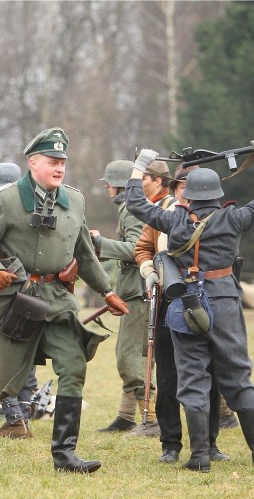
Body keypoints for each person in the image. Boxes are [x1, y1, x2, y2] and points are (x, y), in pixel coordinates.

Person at [0, 127, 129, 473]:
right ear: (33, 163)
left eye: (63, 162)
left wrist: (107, 290)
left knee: (73, 365)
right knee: (1, 385)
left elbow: (84, 251)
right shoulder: (5, 201)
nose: (60, 168)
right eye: (52, 161)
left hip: (57, 301)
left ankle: (65, 455)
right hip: (16, 301)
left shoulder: (74, 200)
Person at [126, 141, 254, 472]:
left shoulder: (176, 221)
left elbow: (136, 203)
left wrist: (139, 166)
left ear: (189, 196)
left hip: (185, 302)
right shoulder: (233, 218)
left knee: (192, 376)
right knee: (237, 373)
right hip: (224, 299)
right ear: (216, 193)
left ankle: (199, 456)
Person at [134, 164, 231, 463]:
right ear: (176, 188)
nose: (188, 193)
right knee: (168, 375)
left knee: (210, 375)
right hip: (168, 300)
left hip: (206, 302)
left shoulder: (216, 217)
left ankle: (210, 444)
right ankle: (171, 445)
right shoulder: (160, 215)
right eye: (183, 187)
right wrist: (148, 269)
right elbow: (142, 249)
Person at [91, 159, 161, 436]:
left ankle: (151, 418)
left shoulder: (132, 210)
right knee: (132, 354)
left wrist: (99, 243)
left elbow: (136, 250)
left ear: (116, 185)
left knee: (130, 357)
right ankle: (126, 416)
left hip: (139, 291)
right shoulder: (132, 208)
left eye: (108, 183)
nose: (106, 187)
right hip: (136, 289)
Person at [0, 162, 40, 440]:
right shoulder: (38, 204)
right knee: (26, 353)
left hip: (2, 290)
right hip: (35, 290)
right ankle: (24, 418)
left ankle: (14, 421)